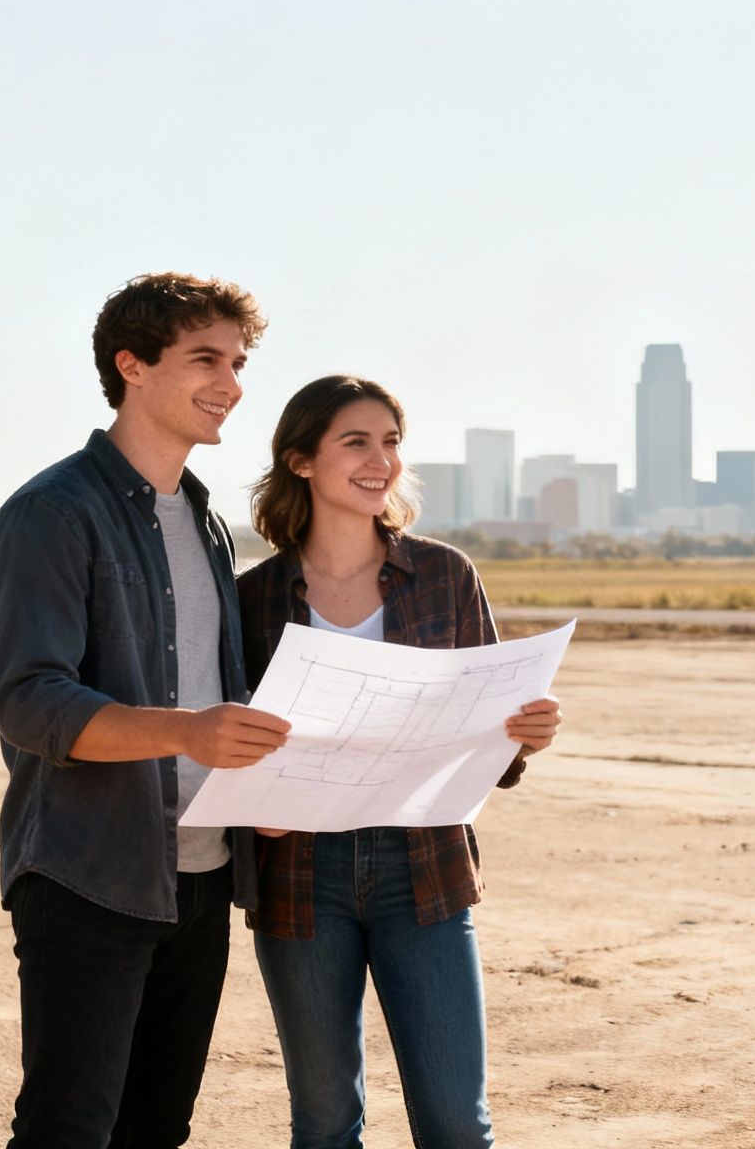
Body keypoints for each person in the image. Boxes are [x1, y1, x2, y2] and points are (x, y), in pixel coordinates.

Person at [0, 272, 293, 1148]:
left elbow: (216, 687)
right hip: (90, 875)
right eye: (205, 358)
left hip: (199, 878)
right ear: (132, 365)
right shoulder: (51, 512)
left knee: (158, 1128)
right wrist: (187, 732)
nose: (230, 383)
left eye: (237, 361)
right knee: (68, 1131)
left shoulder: (206, 520)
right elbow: (31, 702)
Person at [237, 375, 562, 1149]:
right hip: (298, 879)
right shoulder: (248, 598)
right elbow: (231, 746)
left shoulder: (445, 575)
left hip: (427, 871)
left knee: (456, 1124)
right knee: (323, 1124)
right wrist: (256, 806)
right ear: (301, 460)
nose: (380, 459)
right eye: (356, 441)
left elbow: (492, 748)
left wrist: (525, 733)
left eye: (391, 442)